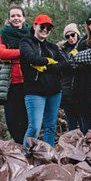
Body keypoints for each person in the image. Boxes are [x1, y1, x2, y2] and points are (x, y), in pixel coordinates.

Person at [19, 14, 64, 147]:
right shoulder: (26, 42)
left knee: (50, 127)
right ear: (34, 26)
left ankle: (47, 156)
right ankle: (25, 157)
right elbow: (30, 57)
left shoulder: (52, 47)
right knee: (34, 127)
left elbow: (63, 63)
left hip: (54, 91)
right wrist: (48, 61)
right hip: (34, 91)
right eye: (42, 26)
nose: (45, 29)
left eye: (48, 28)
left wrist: (44, 66)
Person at [0, 5, 31, 145]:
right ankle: (18, 145)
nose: (16, 18)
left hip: (28, 82)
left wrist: (13, 53)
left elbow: (36, 51)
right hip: (10, 83)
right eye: (13, 16)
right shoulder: (3, 34)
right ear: (9, 19)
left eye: (18, 15)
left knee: (27, 118)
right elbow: (0, 53)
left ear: (23, 18)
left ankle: (26, 147)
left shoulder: (31, 33)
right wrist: (23, 53)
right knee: (11, 119)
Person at [58, 23, 81, 131]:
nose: (71, 38)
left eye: (73, 35)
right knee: (71, 123)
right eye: (67, 36)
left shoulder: (84, 45)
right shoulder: (61, 50)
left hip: (82, 90)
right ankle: (71, 146)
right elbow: (65, 66)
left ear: (77, 34)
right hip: (67, 91)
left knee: (84, 123)